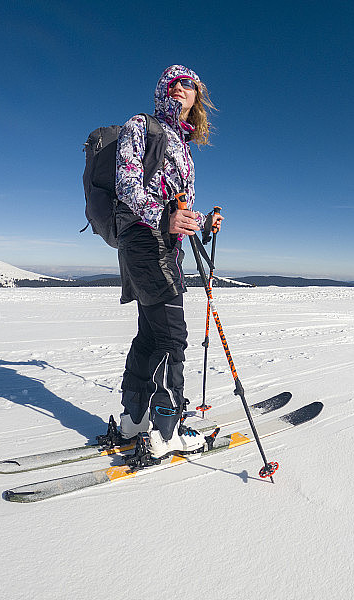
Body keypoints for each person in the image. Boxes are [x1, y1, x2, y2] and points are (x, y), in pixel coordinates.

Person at [113, 65, 222, 459]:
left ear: (196, 98)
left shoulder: (182, 144)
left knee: (150, 336)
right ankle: (165, 432)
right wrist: (164, 217)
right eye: (174, 85)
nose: (182, 92)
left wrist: (202, 223)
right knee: (172, 338)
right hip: (145, 242)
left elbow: (179, 210)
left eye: (190, 88)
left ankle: (134, 421)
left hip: (164, 247)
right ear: (163, 90)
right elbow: (127, 185)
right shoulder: (141, 125)